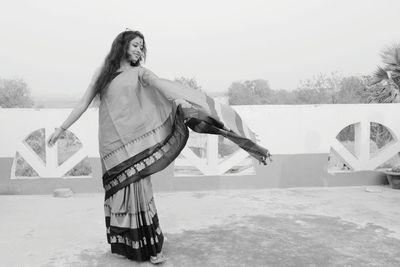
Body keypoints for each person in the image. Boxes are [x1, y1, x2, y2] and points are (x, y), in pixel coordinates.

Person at [47, 29, 270, 264]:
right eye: (135, 45)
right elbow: (84, 102)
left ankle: (151, 247)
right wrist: (62, 128)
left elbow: (162, 86)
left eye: (142, 46)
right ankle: (126, 246)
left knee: (140, 189)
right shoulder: (103, 74)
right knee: (119, 193)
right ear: (122, 46)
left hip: (137, 142)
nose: (139, 49)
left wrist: (179, 100)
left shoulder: (140, 73)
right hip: (111, 142)